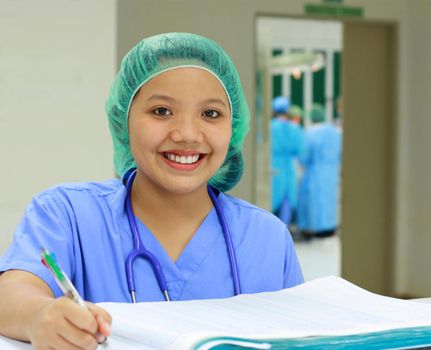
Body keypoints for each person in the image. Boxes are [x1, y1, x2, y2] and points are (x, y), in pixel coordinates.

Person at [0, 33, 304, 349]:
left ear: (233, 125)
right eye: (161, 111)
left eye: (210, 113)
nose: (187, 134)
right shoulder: (67, 214)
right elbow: (11, 294)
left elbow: (308, 336)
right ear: (124, 120)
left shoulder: (268, 238)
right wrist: (40, 316)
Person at [297, 104, 342, 239]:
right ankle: (328, 228)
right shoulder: (334, 132)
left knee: (314, 201)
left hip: (315, 172)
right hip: (332, 172)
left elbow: (304, 156)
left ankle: (315, 229)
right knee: (329, 201)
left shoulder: (310, 133)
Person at [270, 97, 303, 225]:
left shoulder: (270, 127)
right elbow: (300, 150)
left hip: (273, 165)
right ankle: (284, 231)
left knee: (272, 198)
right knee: (287, 199)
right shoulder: (295, 128)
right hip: (289, 167)